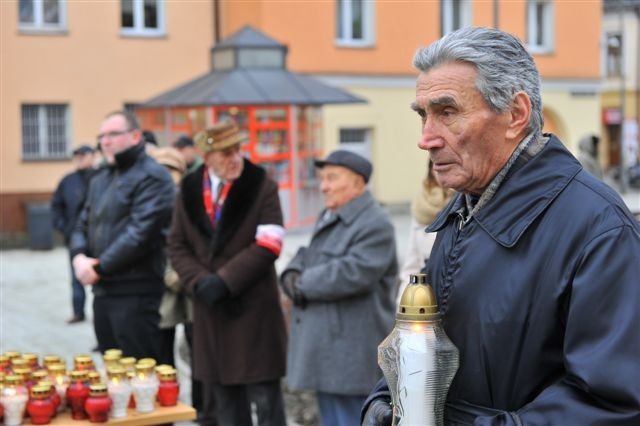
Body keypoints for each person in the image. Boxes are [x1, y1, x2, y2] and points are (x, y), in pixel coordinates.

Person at [362, 27, 640, 425]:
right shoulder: (463, 211)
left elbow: (615, 402)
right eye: (424, 115)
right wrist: (384, 400)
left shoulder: (599, 228)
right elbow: (429, 346)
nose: (426, 139)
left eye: (447, 112)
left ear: (515, 115)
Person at [168, 120, 288, 426]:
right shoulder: (189, 190)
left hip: (254, 309)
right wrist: (200, 282)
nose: (234, 158)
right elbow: (178, 244)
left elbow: (270, 243)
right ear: (207, 158)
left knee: (266, 401)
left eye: (237, 150)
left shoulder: (261, 184)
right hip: (210, 309)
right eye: (225, 153)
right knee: (224, 404)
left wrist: (224, 281)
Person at [281, 149, 397, 426]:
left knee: (352, 418)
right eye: (322, 178)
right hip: (328, 349)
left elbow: (352, 272)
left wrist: (301, 283)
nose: (323, 186)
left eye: (332, 178)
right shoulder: (332, 215)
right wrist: (291, 274)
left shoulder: (374, 223)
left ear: (358, 183)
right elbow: (305, 256)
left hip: (349, 353)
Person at [70, 110, 175, 359]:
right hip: (103, 291)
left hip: (136, 292)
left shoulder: (153, 176)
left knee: (140, 375)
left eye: (113, 134)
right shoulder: (101, 178)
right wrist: (78, 256)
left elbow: (141, 233)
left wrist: (99, 267)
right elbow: (81, 225)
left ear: (136, 136)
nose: (105, 141)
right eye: (102, 136)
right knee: (113, 374)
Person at [396, 158, 453, 304]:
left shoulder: (465, 201)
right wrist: (404, 307)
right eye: (434, 164)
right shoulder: (422, 205)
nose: (437, 168)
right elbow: (411, 267)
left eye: (443, 162)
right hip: (423, 302)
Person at [51, 144, 96, 324]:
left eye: (83, 155)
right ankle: (78, 312)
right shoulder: (67, 180)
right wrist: (64, 227)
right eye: (76, 155)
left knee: (99, 281)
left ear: (93, 156)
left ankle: (99, 319)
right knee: (76, 277)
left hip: (97, 239)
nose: (79, 158)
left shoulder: (101, 177)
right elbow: (56, 206)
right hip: (74, 239)